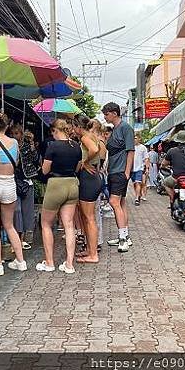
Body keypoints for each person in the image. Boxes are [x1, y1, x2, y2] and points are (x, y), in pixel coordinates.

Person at [36, 119, 82, 274]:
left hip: (56, 184)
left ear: (55, 130)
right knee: (69, 225)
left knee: (46, 224)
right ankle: (69, 264)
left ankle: (49, 262)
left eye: (52, 132)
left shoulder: (52, 146)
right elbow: (78, 167)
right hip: (72, 184)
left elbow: (44, 170)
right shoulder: (76, 146)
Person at [0, 113, 27, 274]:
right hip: (10, 183)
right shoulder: (14, 142)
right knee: (9, 225)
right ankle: (20, 261)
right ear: (7, 126)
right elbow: (17, 163)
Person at [102, 102, 135, 253]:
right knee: (120, 203)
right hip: (114, 170)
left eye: (106, 114)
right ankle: (125, 236)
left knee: (114, 201)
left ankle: (123, 239)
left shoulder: (125, 128)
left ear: (114, 113)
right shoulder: (115, 129)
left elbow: (130, 151)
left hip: (120, 171)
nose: (105, 116)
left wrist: (127, 172)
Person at [73, 115, 104, 264]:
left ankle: (93, 254)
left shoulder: (85, 137)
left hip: (89, 179)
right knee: (87, 217)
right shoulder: (92, 135)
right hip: (93, 178)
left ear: (78, 126)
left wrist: (84, 161)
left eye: (73, 126)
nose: (73, 129)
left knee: (89, 218)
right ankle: (89, 250)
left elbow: (94, 149)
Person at [9, 124, 39, 249]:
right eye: (13, 133)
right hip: (14, 180)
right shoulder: (10, 145)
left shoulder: (27, 145)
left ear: (21, 134)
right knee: (17, 210)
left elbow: (35, 159)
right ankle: (18, 238)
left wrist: (32, 145)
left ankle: (26, 236)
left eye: (17, 133)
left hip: (27, 180)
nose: (15, 136)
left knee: (27, 210)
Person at [131, 134, 149, 206]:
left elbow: (146, 158)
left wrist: (147, 168)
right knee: (135, 184)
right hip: (132, 169)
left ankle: (137, 198)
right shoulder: (130, 147)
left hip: (140, 168)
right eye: (133, 138)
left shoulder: (143, 148)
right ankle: (138, 194)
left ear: (139, 139)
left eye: (135, 138)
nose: (134, 139)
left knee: (138, 182)